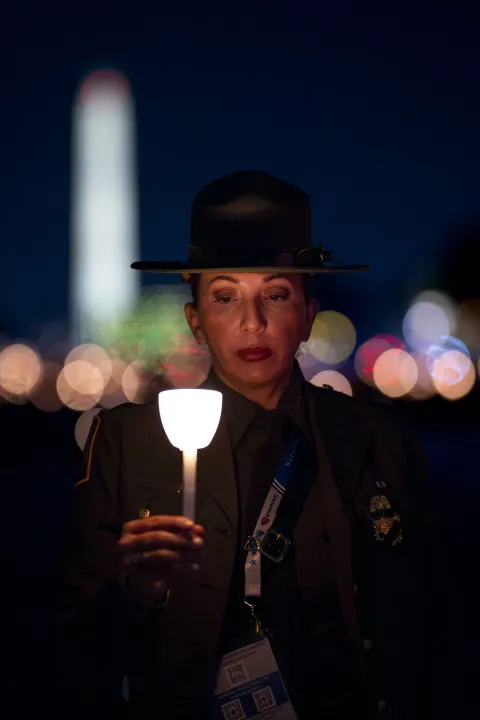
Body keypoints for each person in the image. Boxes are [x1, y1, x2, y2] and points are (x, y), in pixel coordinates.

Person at [55, 170, 432, 719]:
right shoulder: (127, 443)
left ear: (307, 315)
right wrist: (138, 590)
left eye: (275, 294)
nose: (251, 322)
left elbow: (430, 624)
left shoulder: (380, 439)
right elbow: (73, 653)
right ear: (197, 321)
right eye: (225, 296)